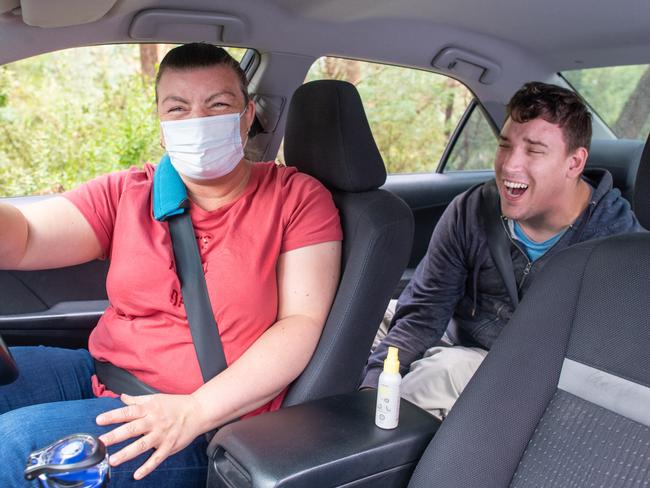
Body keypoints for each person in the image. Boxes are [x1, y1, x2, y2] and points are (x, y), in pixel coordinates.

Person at [0, 43, 342, 486]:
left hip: (201, 418)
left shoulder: (296, 198)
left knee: (14, 451)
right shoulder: (130, 192)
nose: (197, 121)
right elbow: (25, 237)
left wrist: (194, 411)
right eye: (177, 108)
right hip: (104, 374)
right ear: (162, 127)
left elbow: (301, 324)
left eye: (218, 104)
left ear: (247, 115)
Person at [362, 81, 644, 419]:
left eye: (534, 150)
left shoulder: (617, 246)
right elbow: (424, 312)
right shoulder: (471, 211)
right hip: (459, 333)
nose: (510, 165)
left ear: (574, 163)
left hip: (527, 375)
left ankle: (369, 450)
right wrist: (376, 381)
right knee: (361, 322)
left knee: (445, 372)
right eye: (504, 145)